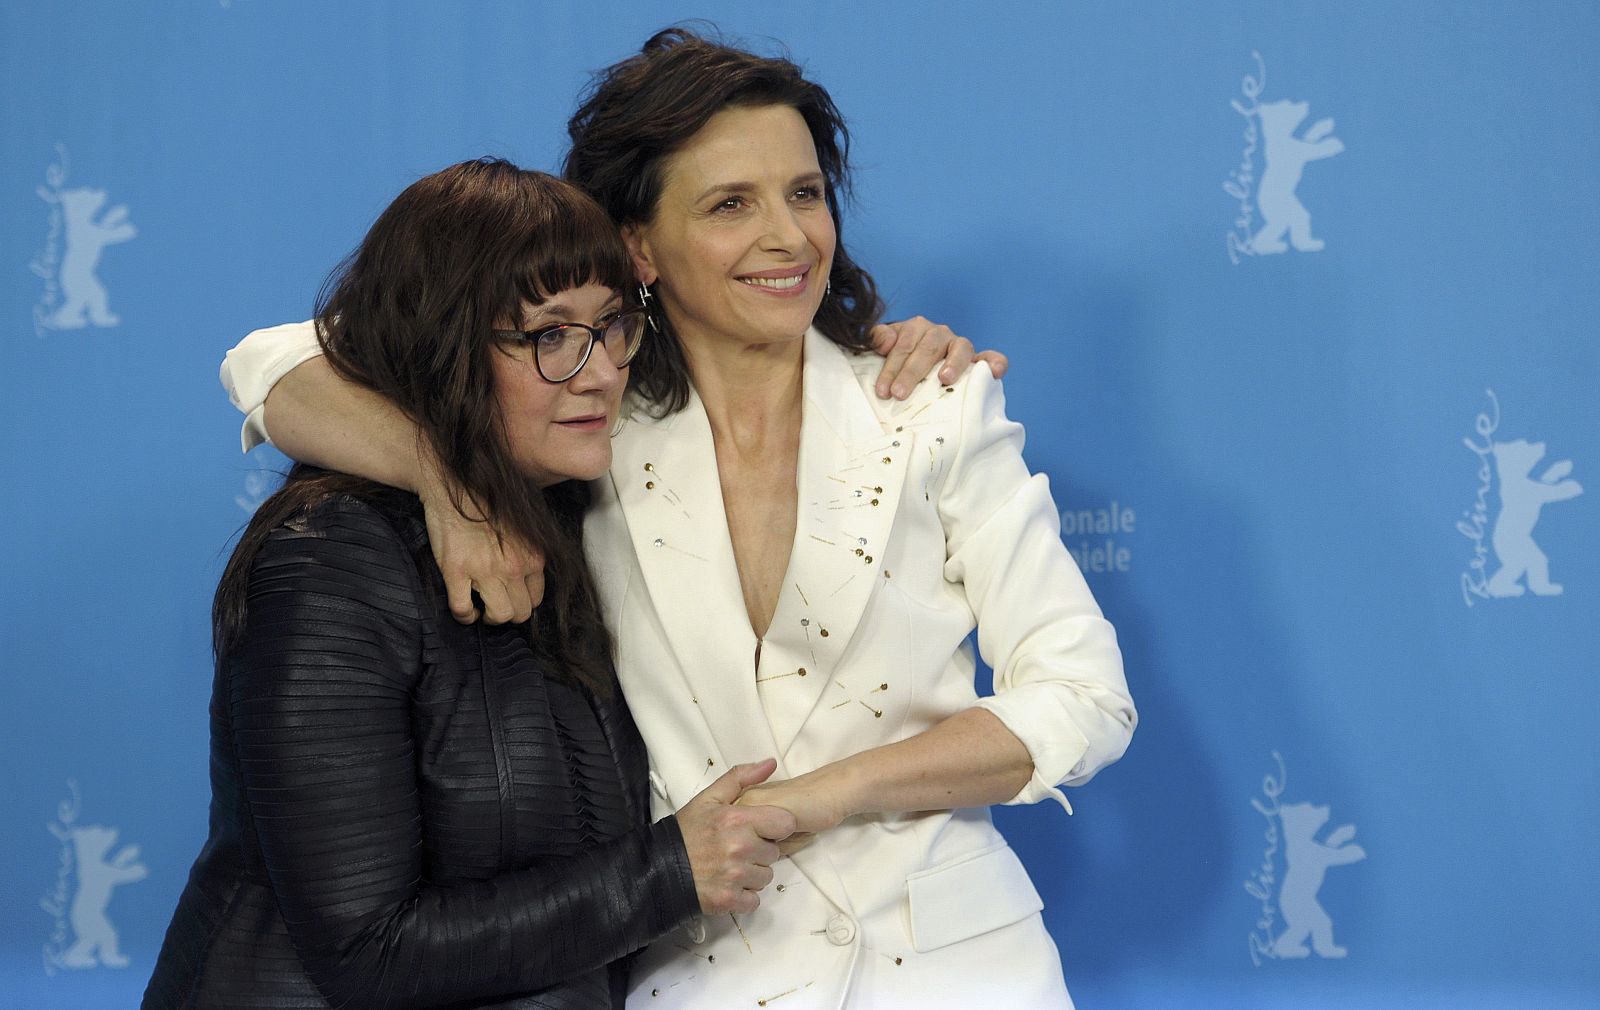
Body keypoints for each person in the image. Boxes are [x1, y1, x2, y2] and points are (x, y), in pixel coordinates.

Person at [221, 28, 1136, 1009]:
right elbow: (268, 363)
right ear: (639, 247)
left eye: (805, 193)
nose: (788, 237)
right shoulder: (583, 419)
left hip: (962, 963)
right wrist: (452, 484)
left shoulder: (930, 404)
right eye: (730, 204)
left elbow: (1085, 698)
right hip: (704, 961)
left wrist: (821, 794)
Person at [143, 159, 805, 1010]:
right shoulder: (330, 566)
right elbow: (369, 951)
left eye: (612, 326)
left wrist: (913, 357)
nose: (601, 371)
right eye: (549, 336)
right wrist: (671, 869)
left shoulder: (571, 502)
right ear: (442, 351)